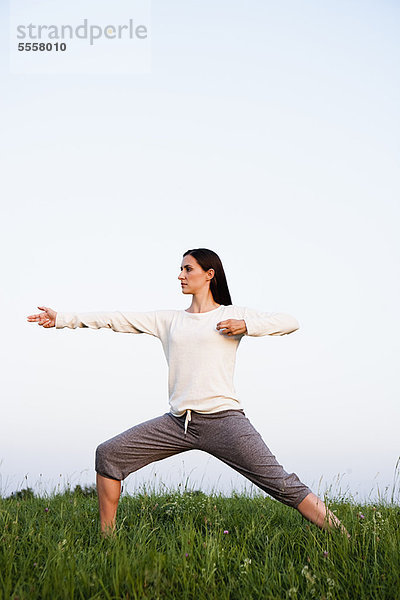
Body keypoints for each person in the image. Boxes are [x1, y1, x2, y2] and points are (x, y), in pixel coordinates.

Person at [27, 248, 348, 537]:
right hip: (177, 423)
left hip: (225, 422)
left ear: (209, 275)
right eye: (181, 270)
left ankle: (346, 538)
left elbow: (289, 321)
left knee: (281, 484)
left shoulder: (230, 315)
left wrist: (246, 326)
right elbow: (116, 319)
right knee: (109, 455)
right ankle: (107, 540)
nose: (181, 275)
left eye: (188, 269)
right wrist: (62, 320)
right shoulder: (169, 320)